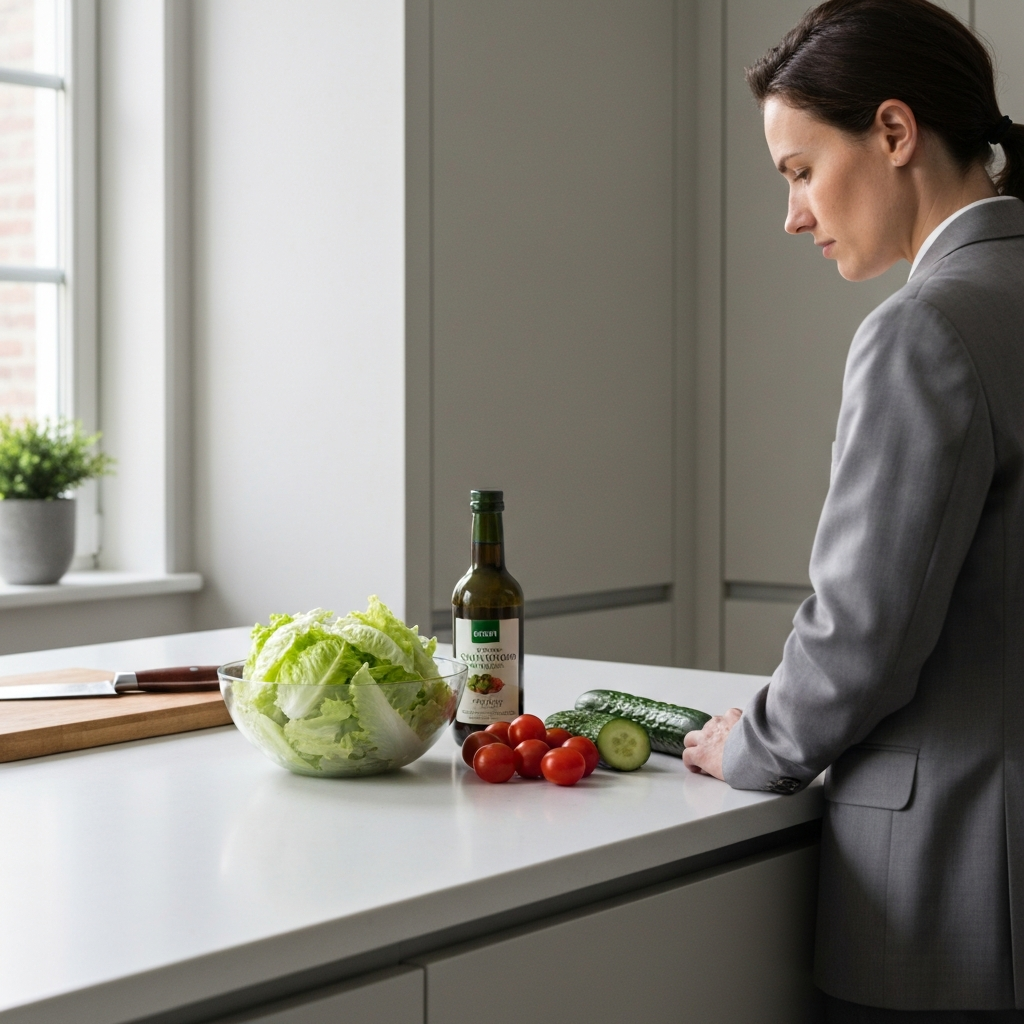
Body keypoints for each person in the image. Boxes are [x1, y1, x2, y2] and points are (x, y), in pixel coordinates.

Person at [681, 1, 1024, 1020]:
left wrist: (753, 742)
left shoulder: (925, 327)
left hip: (947, 899)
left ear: (892, 132)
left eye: (797, 169)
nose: (792, 213)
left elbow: (864, 632)